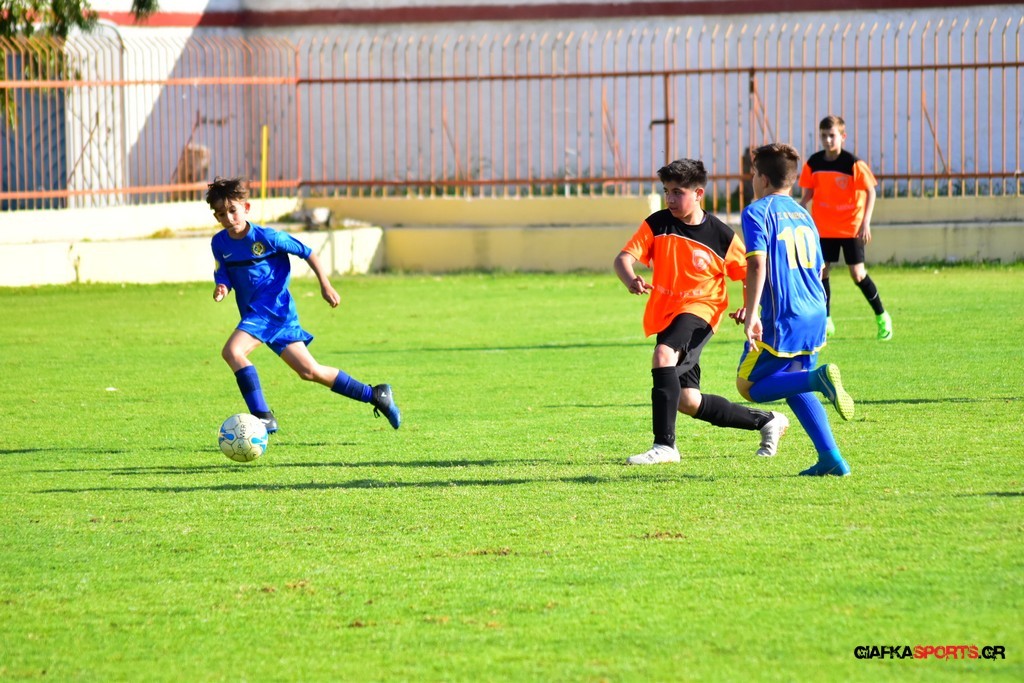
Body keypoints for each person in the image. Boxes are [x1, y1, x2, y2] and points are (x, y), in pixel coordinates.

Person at [614, 158, 789, 466]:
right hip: (668, 315)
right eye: (666, 191)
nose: (670, 199)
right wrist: (631, 279)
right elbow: (623, 258)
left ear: (698, 194)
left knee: (663, 356)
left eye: (677, 192)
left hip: (701, 311)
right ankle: (767, 421)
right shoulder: (657, 224)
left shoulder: (720, 235)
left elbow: (747, 272)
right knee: (687, 400)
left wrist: (749, 308)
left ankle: (664, 446)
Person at [207, 176, 400, 433]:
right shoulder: (219, 243)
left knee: (233, 352)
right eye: (222, 214)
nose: (229, 218)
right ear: (216, 217)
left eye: (233, 210)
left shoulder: (268, 237)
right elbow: (223, 271)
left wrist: (325, 285)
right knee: (309, 371)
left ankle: (262, 415)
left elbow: (307, 252)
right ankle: (376, 395)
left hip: (272, 309)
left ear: (246, 208)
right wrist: (222, 286)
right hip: (263, 314)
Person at [735, 143, 854, 476]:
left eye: (753, 173)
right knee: (794, 384)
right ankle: (832, 459)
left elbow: (757, 264)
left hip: (783, 318)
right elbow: (820, 268)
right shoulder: (805, 215)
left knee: (748, 386)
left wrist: (752, 313)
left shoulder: (757, 212)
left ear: (761, 178)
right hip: (815, 311)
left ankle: (819, 378)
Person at [799, 114, 893, 341]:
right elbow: (809, 191)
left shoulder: (853, 164)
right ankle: (826, 321)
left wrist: (865, 222)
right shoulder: (814, 163)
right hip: (824, 228)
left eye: (832, 136)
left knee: (858, 274)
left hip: (851, 227)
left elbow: (870, 191)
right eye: (824, 136)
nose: (827, 140)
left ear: (843, 136)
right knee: (821, 272)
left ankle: (882, 317)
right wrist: (801, 206)